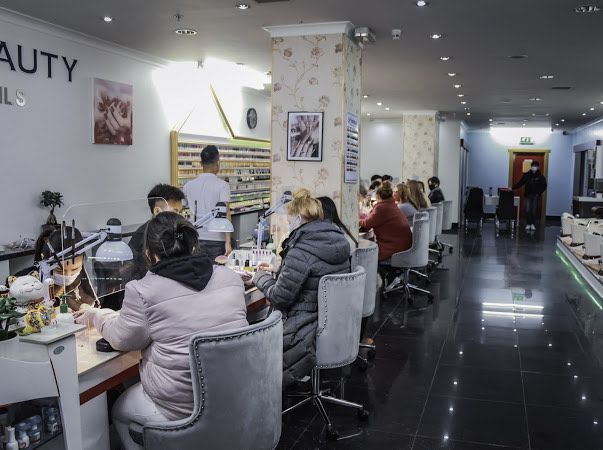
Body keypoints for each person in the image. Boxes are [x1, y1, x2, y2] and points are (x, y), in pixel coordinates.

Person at [74, 212, 247, 450]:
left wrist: (97, 315)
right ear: (194, 246)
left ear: (149, 255)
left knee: (119, 410)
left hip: (182, 407)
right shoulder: (230, 278)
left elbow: (122, 339)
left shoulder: (143, 290)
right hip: (235, 393)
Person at [252, 189, 350, 388]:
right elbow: (315, 271)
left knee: (251, 332)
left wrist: (258, 277)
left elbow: (280, 297)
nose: (288, 225)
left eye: (289, 220)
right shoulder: (338, 241)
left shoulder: (301, 248)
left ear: (298, 218)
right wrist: (280, 269)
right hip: (332, 321)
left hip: (303, 326)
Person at [183, 145, 232, 260]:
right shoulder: (222, 185)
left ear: (200, 163)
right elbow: (226, 214)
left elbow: (180, 210)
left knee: (197, 269)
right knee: (217, 270)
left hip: (195, 238)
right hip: (217, 238)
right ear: (218, 163)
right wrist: (228, 242)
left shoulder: (188, 186)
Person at [128, 184, 185, 281]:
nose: (180, 217)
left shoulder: (175, 231)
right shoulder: (143, 236)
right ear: (157, 211)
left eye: (180, 212)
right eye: (175, 212)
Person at [359, 181, 412, 261]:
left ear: (377, 196)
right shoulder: (391, 205)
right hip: (403, 246)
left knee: (360, 248)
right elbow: (373, 219)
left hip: (393, 248)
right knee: (367, 242)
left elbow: (367, 223)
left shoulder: (382, 207)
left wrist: (355, 220)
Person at [512, 161, 547, 230]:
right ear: (531, 167)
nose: (534, 167)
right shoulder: (527, 175)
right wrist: (512, 188)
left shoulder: (540, 176)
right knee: (527, 209)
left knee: (534, 210)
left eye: (535, 166)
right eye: (533, 166)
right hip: (528, 195)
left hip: (536, 196)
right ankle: (528, 224)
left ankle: (532, 224)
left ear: (538, 167)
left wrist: (538, 192)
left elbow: (544, 186)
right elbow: (520, 183)